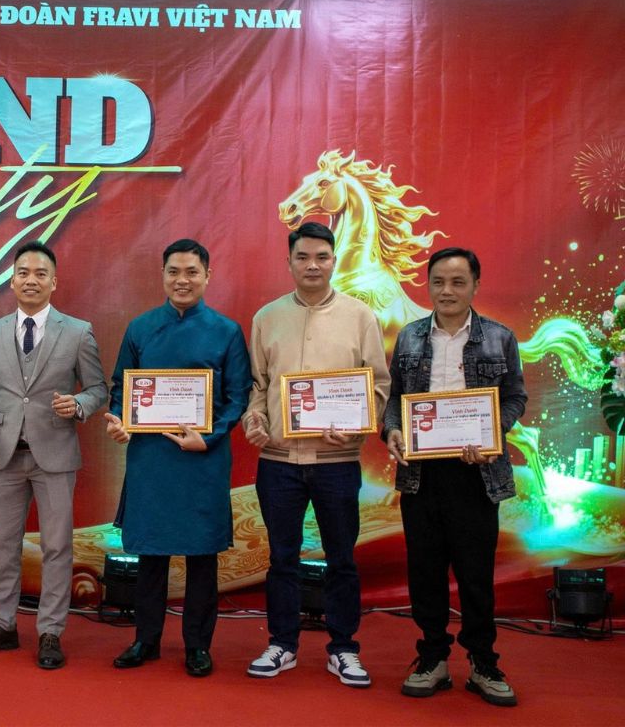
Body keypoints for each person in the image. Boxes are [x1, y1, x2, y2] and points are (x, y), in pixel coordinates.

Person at [242, 221, 389, 687]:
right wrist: (254, 419)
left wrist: (356, 426)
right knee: (281, 557)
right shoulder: (266, 317)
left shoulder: (360, 317)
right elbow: (257, 386)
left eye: (321, 257)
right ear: (289, 262)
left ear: (333, 261)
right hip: (279, 461)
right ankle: (282, 644)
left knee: (341, 558)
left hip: (336, 463)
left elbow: (378, 386)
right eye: (303, 257)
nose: (312, 265)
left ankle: (343, 648)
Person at [0, 241, 108, 670]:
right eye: (23, 272)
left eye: (41, 274)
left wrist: (79, 404)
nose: (31, 280)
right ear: (12, 280)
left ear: (54, 282)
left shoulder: (77, 331)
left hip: (55, 454)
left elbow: (98, 388)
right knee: (3, 545)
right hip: (5, 454)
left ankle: (50, 632)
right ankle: (1, 625)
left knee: (57, 547)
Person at [384, 247, 526, 707]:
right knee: (424, 573)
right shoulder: (409, 337)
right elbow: (394, 399)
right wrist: (392, 430)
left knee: (475, 575)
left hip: (476, 475)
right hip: (421, 476)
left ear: (475, 286)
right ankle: (432, 659)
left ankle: (484, 663)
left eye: (458, 282)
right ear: (428, 285)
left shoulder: (500, 337)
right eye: (438, 282)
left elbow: (516, 397)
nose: (447, 291)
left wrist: (491, 432)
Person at [103, 238, 251, 678]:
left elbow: (238, 395)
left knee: (202, 556)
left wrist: (209, 437)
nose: (182, 280)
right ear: (163, 275)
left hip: (203, 458)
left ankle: (198, 646)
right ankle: (145, 640)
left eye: (191, 272)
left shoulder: (227, 331)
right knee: (151, 554)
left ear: (207, 275)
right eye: (173, 272)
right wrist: (120, 420)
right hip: (151, 459)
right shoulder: (140, 328)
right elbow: (121, 386)